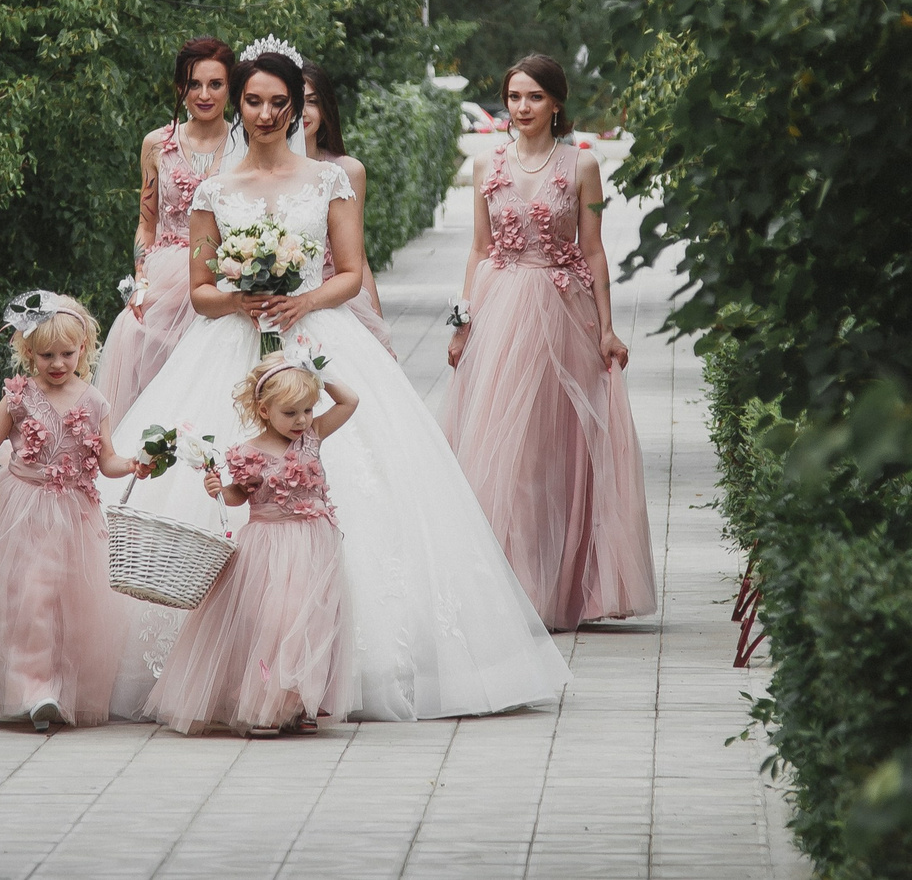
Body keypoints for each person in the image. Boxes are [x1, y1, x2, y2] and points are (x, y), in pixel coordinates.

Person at [104, 39, 570, 722]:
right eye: (253, 101)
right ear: (239, 105)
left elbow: (349, 272)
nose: (266, 114)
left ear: (297, 109)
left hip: (316, 333)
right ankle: (225, 662)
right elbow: (200, 290)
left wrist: (300, 302)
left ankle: (337, 661)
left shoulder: (329, 182)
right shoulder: (212, 191)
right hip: (232, 340)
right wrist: (240, 298)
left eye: (279, 103)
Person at [442, 55, 658, 630]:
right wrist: (462, 323)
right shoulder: (488, 162)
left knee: (554, 445)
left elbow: (593, 250)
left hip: (563, 310)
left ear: (556, 103)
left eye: (534, 96)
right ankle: (506, 585)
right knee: (503, 447)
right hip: (500, 308)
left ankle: (558, 588)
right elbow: (479, 249)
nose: (522, 107)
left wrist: (607, 328)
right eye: (514, 96)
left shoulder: (582, 164)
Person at [0, 292, 145, 731]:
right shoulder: (18, 398)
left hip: (75, 515)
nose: (57, 364)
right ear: (28, 351)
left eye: (67, 354)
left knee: (70, 604)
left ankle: (61, 685)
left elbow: (107, 461)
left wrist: (132, 464)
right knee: (29, 597)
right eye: (46, 355)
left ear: (83, 349)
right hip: (22, 510)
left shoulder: (94, 401)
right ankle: (35, 690)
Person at [148, 355, 360, 736]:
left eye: (308, 410)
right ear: (264, 410)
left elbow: (350, 401)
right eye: (290, 412)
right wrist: (219, 489)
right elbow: (239, 496)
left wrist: (318, 373)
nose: (301, 420)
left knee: (311, 620)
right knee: (274, 620)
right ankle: (265, 701)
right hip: (269, 547)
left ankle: (300, 701)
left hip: (314, 545)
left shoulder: (312, 436)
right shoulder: (249, 452)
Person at [101, 37, 238, 417]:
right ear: (180, 88)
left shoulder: (244, 145)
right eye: (194, 84)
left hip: (222, 274)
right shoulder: (156, 144)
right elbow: (146, 224)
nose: (204, 95)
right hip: (163, 276)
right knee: (134, 340)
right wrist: (141, 282)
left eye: (215, 84)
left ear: (230, 87)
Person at [302, 70, 395, 354]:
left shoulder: (347, 171)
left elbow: (359, 259)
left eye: (312, 101)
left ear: (325, 108)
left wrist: (379, 330)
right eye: (293, 101)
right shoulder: (259, 174)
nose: (303, 112)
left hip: (339, 302)